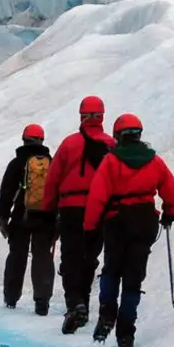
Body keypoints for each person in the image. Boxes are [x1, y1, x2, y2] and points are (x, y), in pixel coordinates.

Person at [82, 113, 174, 347]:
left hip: (117, 222)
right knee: (134, 278)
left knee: (112, 270)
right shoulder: (154, 161)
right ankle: (126, 332)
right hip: (145, 221)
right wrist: (168, 212)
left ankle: (107, 313)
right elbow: (173, 192)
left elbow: (97, 197)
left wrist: (89, 227)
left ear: (118, 135)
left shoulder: (112, 161)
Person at [44, 96, 114, 334]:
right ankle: (82, 300)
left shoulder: (69, 144)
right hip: (101, 209)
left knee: (71, 257)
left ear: (82, 116)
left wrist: (48, 212)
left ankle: (75, 304)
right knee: (90, 257)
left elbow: (52, 181)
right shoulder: (112, 145)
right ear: (102, 116)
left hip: (71, 208)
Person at [0, 123, 57, 314]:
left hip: (21, 217)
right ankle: (42, 302)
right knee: (42, 257)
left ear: (24, 140)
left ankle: (11, 298)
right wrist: (57, 222)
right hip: (46, 218)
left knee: (17, 256)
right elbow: (58, 192)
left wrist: (3, 218)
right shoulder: (51, 162)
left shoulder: (17, 163)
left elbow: (6, 193)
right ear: (41, 140)